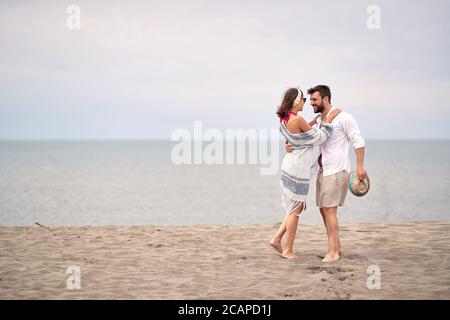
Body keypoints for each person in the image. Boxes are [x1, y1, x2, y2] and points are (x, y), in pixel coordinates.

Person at [285, 85, 367, 262]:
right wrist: (289, 144)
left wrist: (360, 166)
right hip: (323, 170)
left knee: (330, 211)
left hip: (336, 170)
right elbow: (305, 137)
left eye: (314, 100)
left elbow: (358, 141)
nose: (311, 103)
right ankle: (337, 247)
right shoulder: (321, 120)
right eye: (310, 100)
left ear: (325, 99)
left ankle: (333, 253)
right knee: (324, 210)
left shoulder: (344, 117)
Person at [270, 87, 341, 259]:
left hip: (289, 165)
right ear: (296, 102)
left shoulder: (285, 118)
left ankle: (277, 238)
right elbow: (318, 138)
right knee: (297, 209)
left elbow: (295, 137)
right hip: (298, 168)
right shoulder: (298, 119)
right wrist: (329, 121)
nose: (305, 102)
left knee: (293, 206)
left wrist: (310, 125)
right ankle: (287, 250)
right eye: (302, 99)